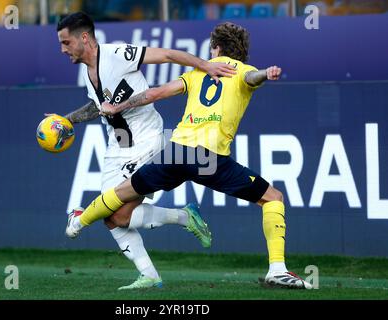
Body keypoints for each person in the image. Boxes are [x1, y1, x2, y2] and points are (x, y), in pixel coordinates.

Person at [66, 22, 313, 290]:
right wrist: (266, 73)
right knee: (272, 198)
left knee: (121, 194)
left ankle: (79, 221)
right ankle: (277, 269)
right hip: (209, 160)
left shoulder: (197, 73)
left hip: (175, 152)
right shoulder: (241, 70)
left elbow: (154, 93)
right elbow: (251, 78)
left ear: (216, 48)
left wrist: (118, 106)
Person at [55, 12, 235, 290]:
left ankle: (81, 219)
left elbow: (167, 55)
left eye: (66, 43)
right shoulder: (86, 71)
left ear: (85, 37)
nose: (62, 49)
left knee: (113, 209)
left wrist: (205, 65)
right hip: (117, 147)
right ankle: (153, 269)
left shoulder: (117, 54)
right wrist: (68, 120)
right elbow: (98, 107)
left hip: (146, 140)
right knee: (115, 219)